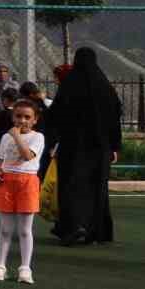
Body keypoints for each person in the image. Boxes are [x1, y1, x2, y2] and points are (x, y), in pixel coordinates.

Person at [42, 46, 123, 246]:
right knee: (98, 188)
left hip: (73, 148)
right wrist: (114, 146)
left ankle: (73, 228)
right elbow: (115, 117)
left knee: (71, 186)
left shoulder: (70, 85)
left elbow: (54, 116)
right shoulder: (105, 88)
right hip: (100, 148)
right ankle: (98, 230)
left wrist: (53, 142)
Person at [0, 98, 44, 284]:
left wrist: (16, 136)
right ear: (13, 117)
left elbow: (27, 155)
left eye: (27, 117)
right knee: (5, 229)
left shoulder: (38, 137)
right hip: (7, 182)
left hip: (27, 182)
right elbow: (1, 159)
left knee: (24, 230)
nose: (22, 120)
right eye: (18, 116)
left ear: (35, 119)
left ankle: (25, 268)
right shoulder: (6, 137)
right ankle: (0, 266)